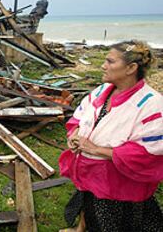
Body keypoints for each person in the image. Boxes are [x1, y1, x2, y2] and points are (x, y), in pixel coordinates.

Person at [59, 40, 163, 231]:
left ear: (131, 68)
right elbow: (78, 118)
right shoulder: (100, 91)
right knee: (89, 207)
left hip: (118, 184)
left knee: (112, 222)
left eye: (110, 61)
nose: (103, 65)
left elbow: (149, 152)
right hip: (91, 173)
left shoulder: (151, 105)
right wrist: (74, 135)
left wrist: (96, 149)